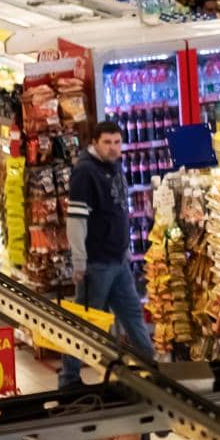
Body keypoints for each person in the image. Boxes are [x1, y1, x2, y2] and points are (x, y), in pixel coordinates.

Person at [60, 121, 154, 390]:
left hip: (117, 261)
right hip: (96, 263)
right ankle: (69, 378)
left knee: (133, 315)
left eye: (117, 142)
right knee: (86, 323)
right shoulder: (85, 172)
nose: (113, 148)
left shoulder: (114, 166)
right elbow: (76, 220)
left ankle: (151, 368)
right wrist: (79, 261)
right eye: (107, 143)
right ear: (94, 142)